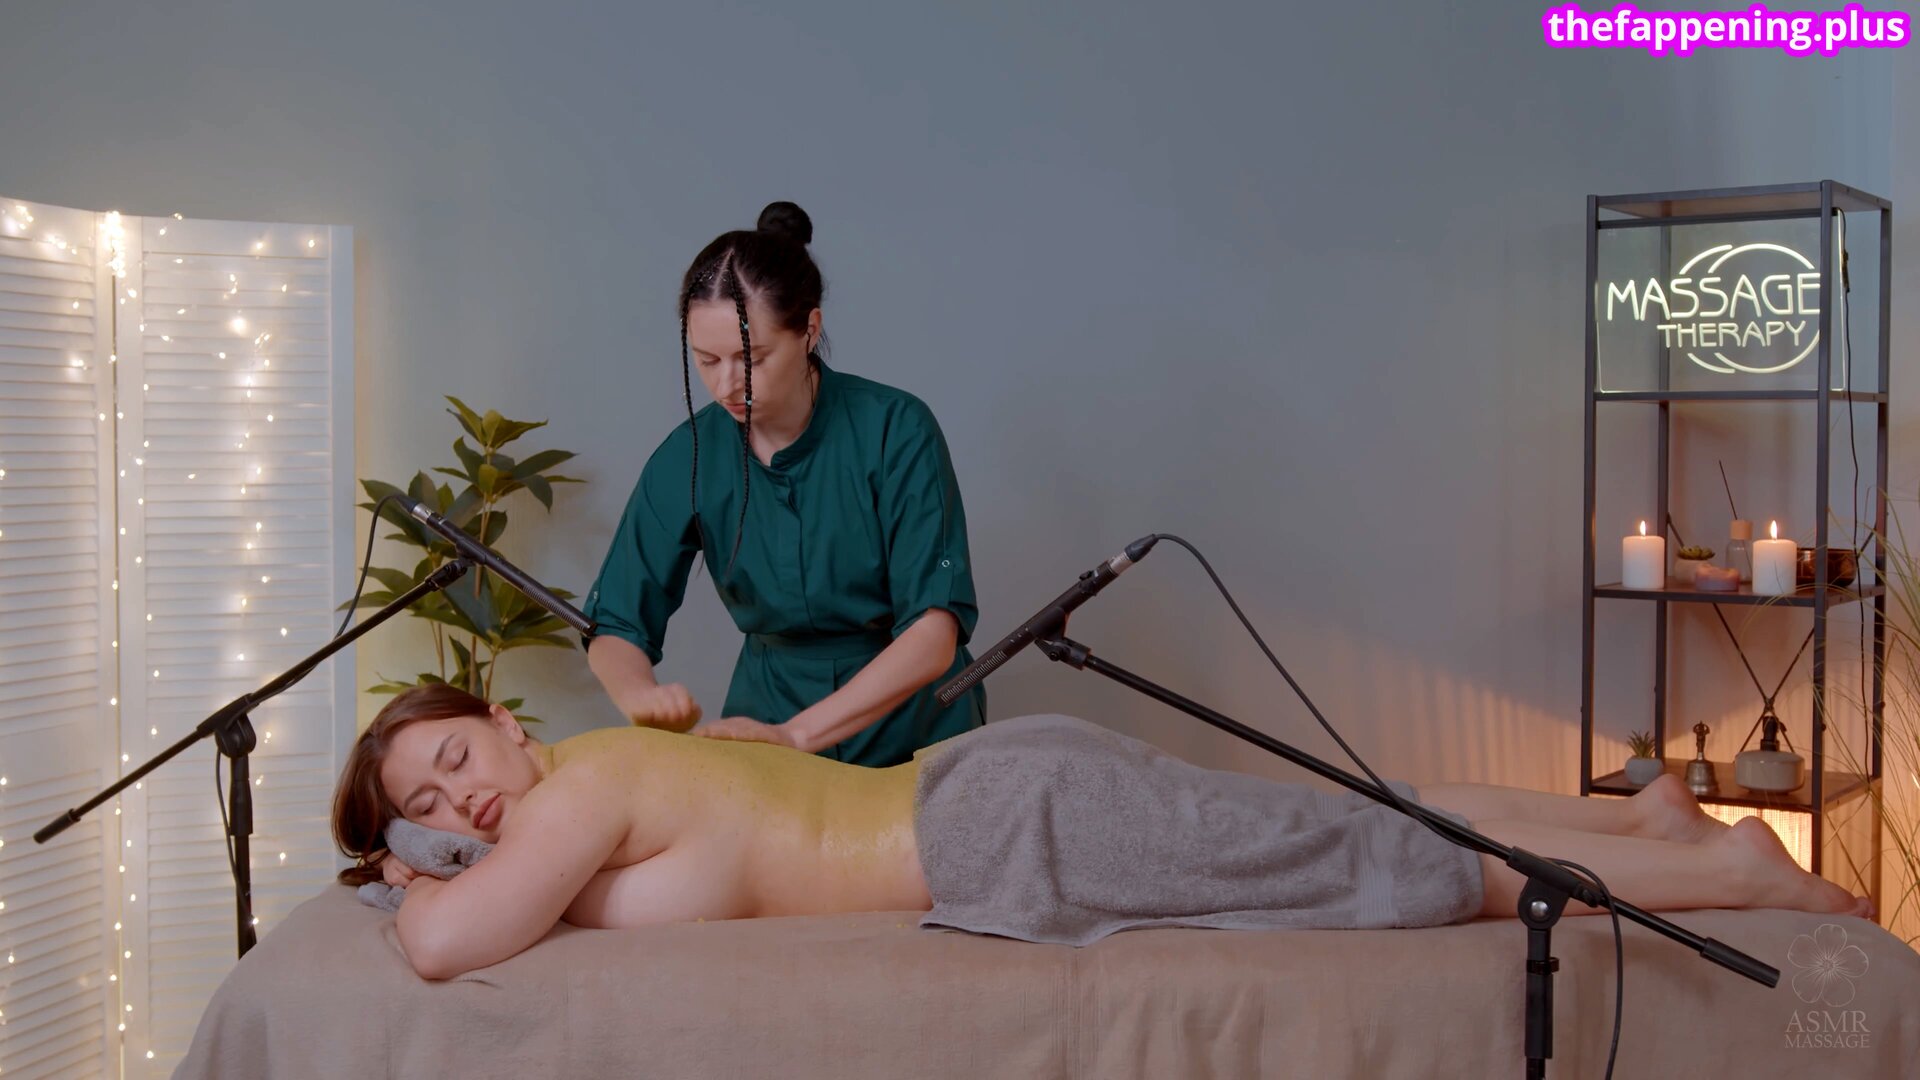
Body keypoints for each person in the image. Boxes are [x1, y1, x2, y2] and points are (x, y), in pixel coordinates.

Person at [333, 685, 1871, 981]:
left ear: (510, 725)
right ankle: (1648, 818)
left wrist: (416, 870)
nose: (465, 808)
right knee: (1346, 820)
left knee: (1365, 865)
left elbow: (444, 945)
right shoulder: (622, 772)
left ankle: (1728, 873)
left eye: (456, 763)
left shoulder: (580, 793)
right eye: (430, 808)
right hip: (995, 791)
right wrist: (440, 845)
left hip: (1009, 826)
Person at [582, 201, 984, 767]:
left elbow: (934, 630)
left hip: (910, 718)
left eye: (752, 359)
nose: (726, 384)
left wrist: (798, 735)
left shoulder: (896, 428)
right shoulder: (687, 455)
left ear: (809, 330)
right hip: (765, 714)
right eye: (706, 360)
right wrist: (639, 695)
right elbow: (616, 621)